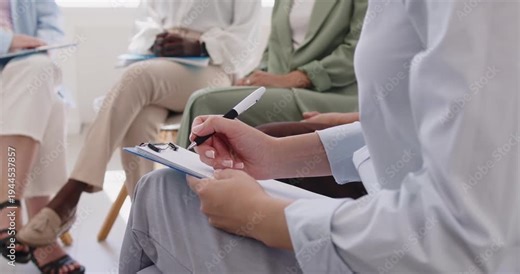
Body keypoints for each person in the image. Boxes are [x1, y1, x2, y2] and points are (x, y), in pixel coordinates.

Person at [119, 0, 518, 273]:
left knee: (164, 202)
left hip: (412, 251)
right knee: (165, 190)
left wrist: (270, 219)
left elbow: (464, 235)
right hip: (397, 221)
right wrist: (277, 154)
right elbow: (412, 130)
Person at [17, 0, 261, 246]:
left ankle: (71, 193)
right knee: (139, 118)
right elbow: (144, 21)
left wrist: (201, 45)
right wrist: (159, 40)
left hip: (214, 69)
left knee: (137, 77)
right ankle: (151, 229)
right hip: (162, 63)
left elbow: (246, 39)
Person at [175, 0, 368, 147]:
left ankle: (183, 189)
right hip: (281, 89)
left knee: (205, 101)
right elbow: (274, 46)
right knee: (208, 99)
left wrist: (293, 79)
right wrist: (254, 76)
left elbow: (357, 50)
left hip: (331, 96)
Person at [0, 0, 85, 273]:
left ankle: (10, 211)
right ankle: (38, 225)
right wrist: (8, 41)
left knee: (41, 78)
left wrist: (39, 44)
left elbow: (51, 24)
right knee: (44, 90)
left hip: (26, 72)